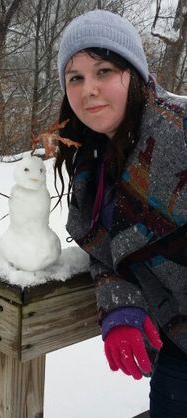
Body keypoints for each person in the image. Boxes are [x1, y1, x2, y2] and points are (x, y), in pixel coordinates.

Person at [54, 9, 187, 418]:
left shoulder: (178, 131)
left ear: (133, 73)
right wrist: (120, 303)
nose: (88, 89)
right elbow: (106, 251)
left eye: (104, 70)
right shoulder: (91, 164)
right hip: (177, 344)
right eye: (75, 77)